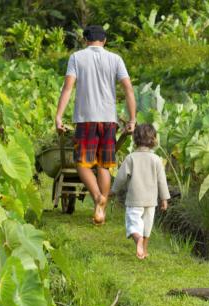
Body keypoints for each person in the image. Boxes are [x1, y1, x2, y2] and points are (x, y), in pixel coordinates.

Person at [54, 25, 136, 225]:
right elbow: (128, 89)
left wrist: (58, 116)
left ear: (85, 40)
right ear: (104, 41)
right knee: (104, 166)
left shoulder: (77, 57)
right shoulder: (115, 59)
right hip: (108, 120)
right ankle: (100, 209)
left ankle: (98, 196)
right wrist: (132, 119)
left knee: (82, 164)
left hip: (86, 118)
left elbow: (67, 88)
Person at [110, 124, 170, 259]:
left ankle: (138, 241)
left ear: (135, 139)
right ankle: (144, 250)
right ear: (154, 139)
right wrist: (164, 199)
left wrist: (113, 191)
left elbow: (120, 177)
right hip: (151, 200)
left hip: (135, 199)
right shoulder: (156, 159)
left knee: (133, 223)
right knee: (147, 226)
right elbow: (162, 181)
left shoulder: (131, 158)